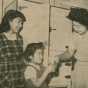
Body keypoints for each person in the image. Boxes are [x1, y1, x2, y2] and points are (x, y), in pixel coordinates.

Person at [0, 10, 26, 88]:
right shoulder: (0, 38)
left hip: (19, 81)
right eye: (18, 22)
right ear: (9, 21)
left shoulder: (20, 38)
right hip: (4, 82)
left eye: (22, 23)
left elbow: (21, 60)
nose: (21, 25)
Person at [66, 7, 88, 88]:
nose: (75, 28)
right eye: (74, 25)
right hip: (78, 68)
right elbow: (69, 53)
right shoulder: (74, 35)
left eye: (78, 26)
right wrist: (59, 57)